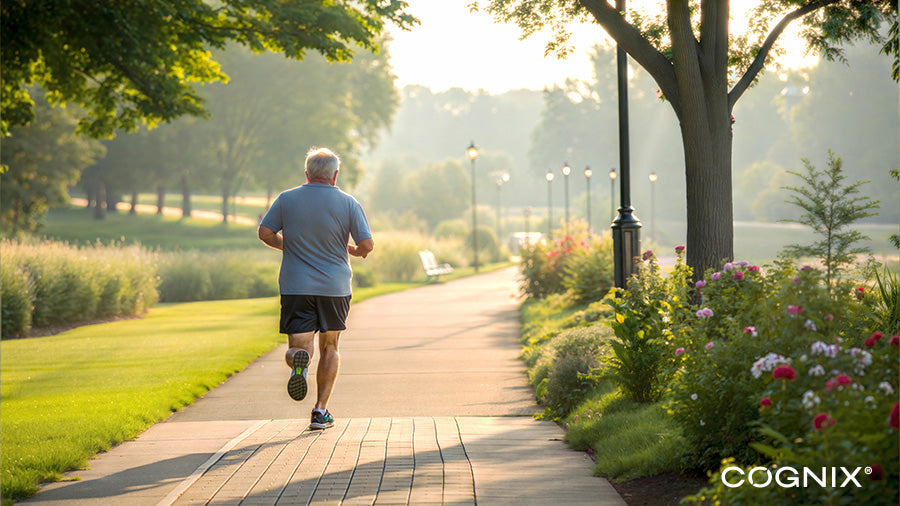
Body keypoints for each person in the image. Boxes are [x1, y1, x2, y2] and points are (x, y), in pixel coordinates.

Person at [258, 147, 374, 430]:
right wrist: (355, 251)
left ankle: (299, 361)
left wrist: (290, 245)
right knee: (330, 346)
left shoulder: (287, 199)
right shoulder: (348, 203)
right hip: (334, 287)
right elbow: (367, 245)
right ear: (335, 175)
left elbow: (265, 232)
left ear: (307, 173)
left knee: (300, 346)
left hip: (296, 285)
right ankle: (320, 411)